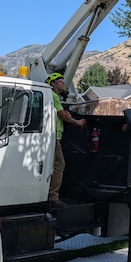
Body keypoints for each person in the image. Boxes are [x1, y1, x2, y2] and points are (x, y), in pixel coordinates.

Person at [46, 72, 85, 208]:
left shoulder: (51, 96)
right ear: (53, 83)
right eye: (60, 81)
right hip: (53, 137)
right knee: (60, 164)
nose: (63, 83)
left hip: (52, 136)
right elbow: (63, 115)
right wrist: (77, 122)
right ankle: (53, 196)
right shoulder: (54, 96)